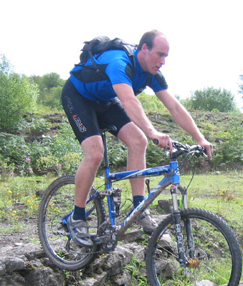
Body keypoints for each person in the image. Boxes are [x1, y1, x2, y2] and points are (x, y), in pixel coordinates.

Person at [61, 30, 213, 247]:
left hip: (105, 101)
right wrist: (153, 131)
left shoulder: (152, 73)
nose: (162, 61)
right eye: (159, 54)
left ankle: (139, 208)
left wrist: (200, 138)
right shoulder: (119, 63)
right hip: (78, 97)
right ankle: (77, 217)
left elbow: (175, 107)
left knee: (138, 142)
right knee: (95, 153)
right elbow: (129, 101)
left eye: (165, 56)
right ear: (144, 49)